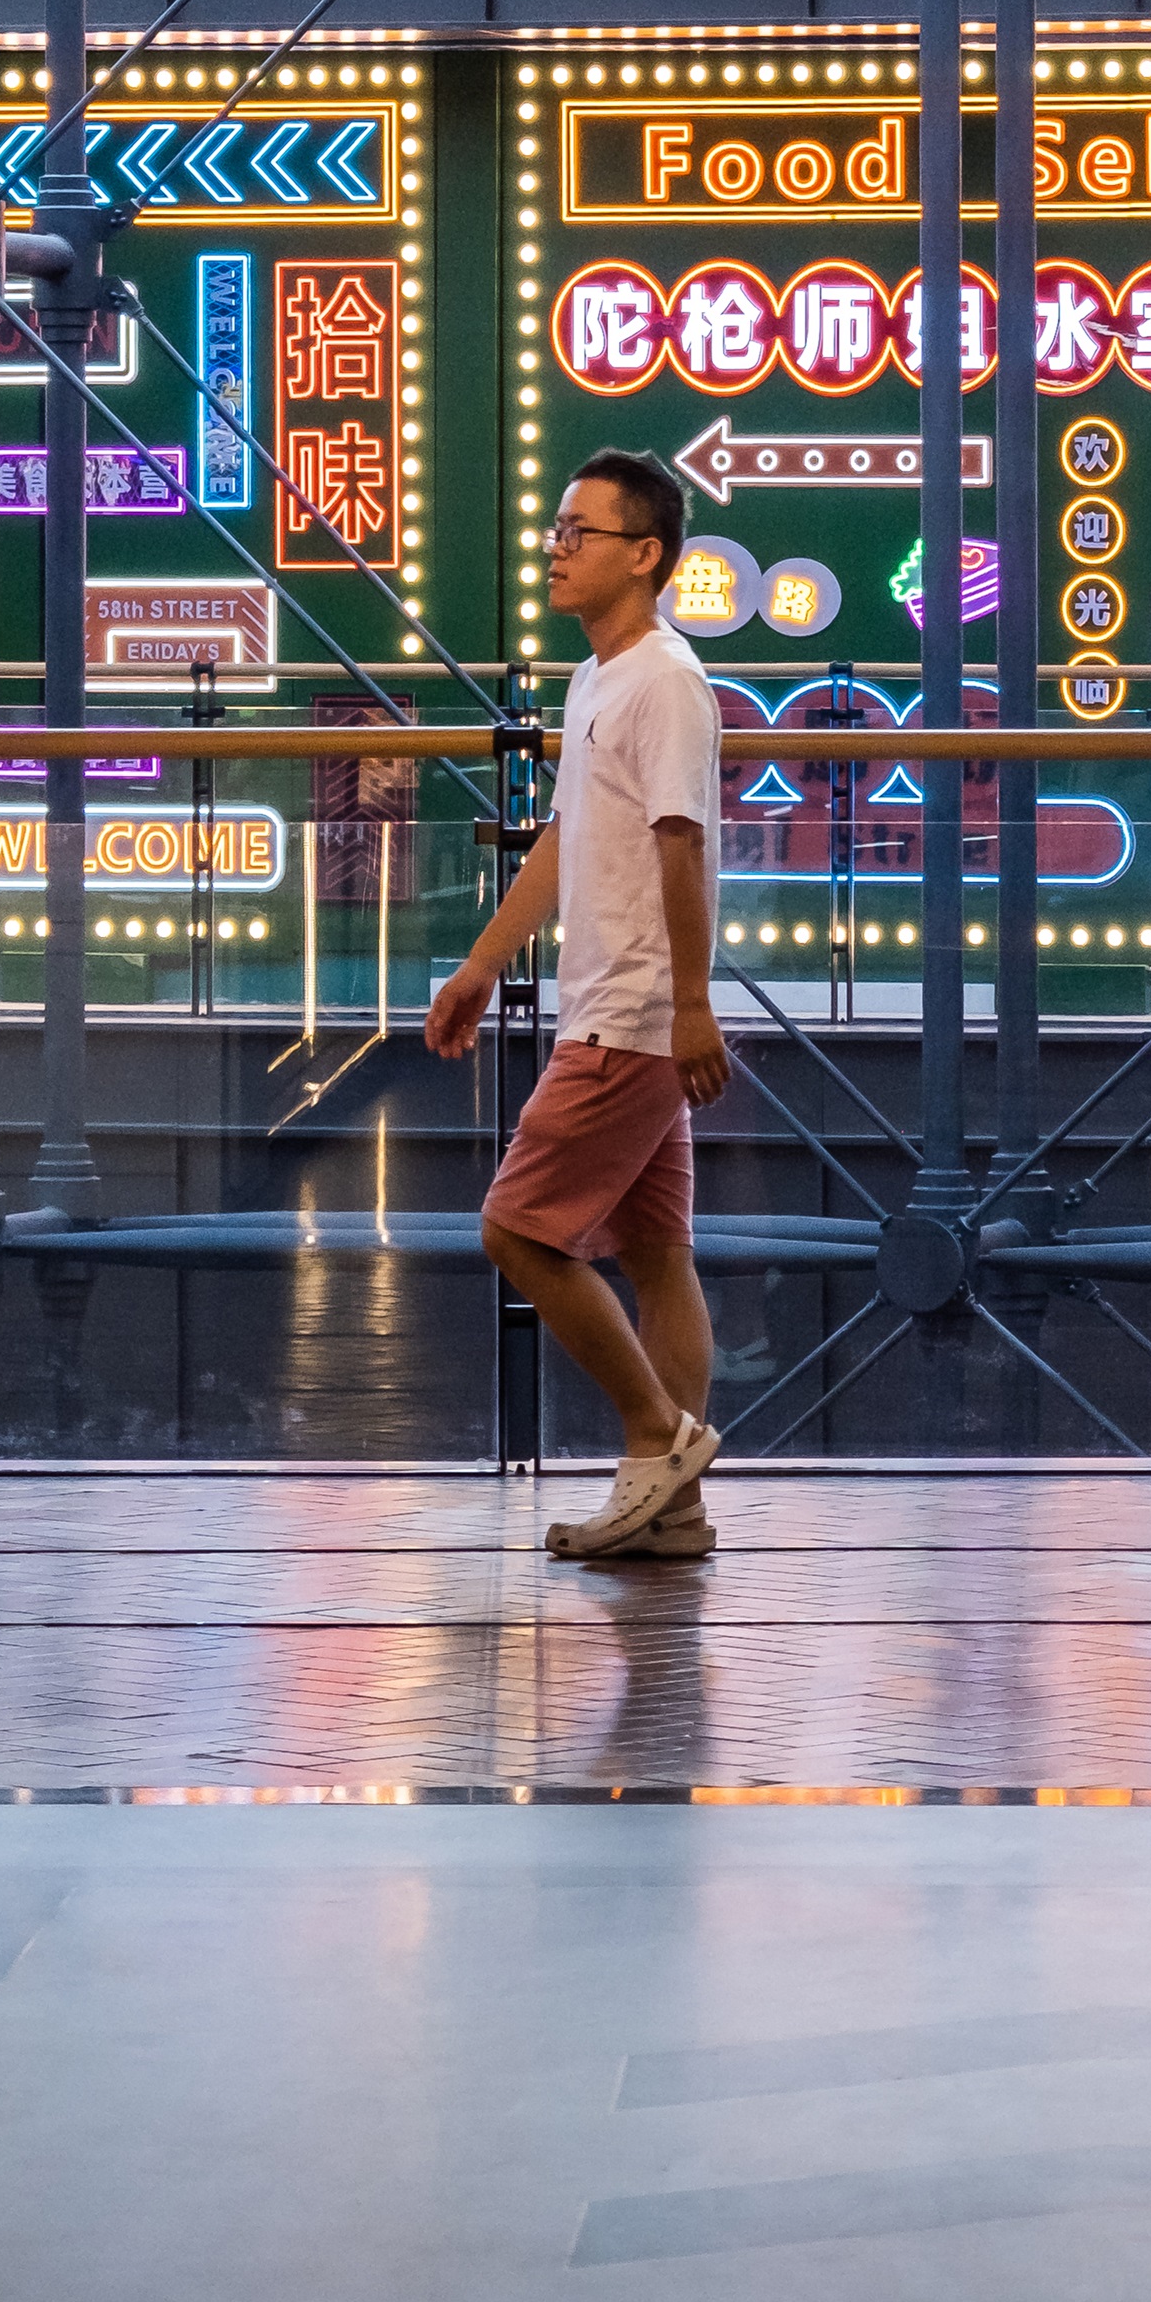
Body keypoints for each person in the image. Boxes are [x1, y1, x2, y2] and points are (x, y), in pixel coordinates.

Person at [426, 447, 731, 1560]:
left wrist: (690, 1003)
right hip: (621, 1005)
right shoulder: (598, 678)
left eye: (580, 532)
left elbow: (682, 845)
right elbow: (567, 840)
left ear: (645, 555)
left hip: (633, 1014)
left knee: (515, 1229)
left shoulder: (664, 681)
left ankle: (660, 1437)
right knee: (655, 1253)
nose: (557, 548)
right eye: (556, 529)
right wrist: (481, 966)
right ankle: (674, 1510)